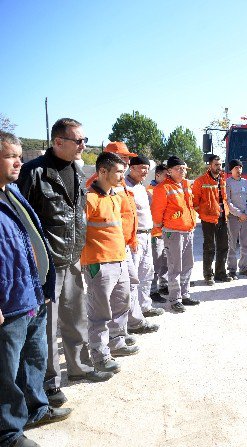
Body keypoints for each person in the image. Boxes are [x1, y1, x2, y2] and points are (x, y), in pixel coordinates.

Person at [17, 118, 112, 410]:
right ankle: (49, 382)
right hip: (45, 264)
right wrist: (33, 261)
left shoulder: (76, 168)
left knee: (75, 315)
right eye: (78, 141)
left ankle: (79, 367)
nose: (84, 146)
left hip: (71, 259)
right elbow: (23, 223)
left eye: (85, 140)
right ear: (58, 142)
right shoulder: (34, 173)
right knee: (47, 325)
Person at [1, 131, 71, 447]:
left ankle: (36, 410)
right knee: (5, 374)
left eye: (19, 155)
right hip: (8, 304)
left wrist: (43, 286)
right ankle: (8, 433)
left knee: (34, 362)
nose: (19, 161)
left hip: (31, 294)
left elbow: (31, 242)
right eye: (10, 156)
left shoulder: (13, 193)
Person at [81, 152, 138, 374]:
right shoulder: (89, 199)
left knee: (122, 303)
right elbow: (79, 234)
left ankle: (116, 342)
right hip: (98, 264)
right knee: (99, 313)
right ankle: (100, 355)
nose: (122, 176)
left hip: (120, 260)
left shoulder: (115, 196)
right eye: (118, 172)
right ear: (102, 172)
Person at [98, 143, 159, 337]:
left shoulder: (132, 186)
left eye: (127, 158)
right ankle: (130, 324)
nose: (126, 161)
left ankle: (141, 311)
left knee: (145, 275)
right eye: (123, 158)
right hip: (127, 241)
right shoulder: (109, 185)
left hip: (143, 235)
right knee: (128, 284)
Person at [151, 156, 198, 313]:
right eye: (179, 169)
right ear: (169, 171)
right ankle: (174, 299)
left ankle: (185, 295)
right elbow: (157, 214)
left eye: (184, 169)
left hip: (188, 231)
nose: (182, 171)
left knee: (187, 265)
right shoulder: (162, 188)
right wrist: (160, 229)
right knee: (175, 266)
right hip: (173, 232)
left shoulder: (185, 185)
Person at [125, 156, 164, 319]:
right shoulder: (125, 187)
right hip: (134, 238)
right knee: (133, 278)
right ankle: (132, 316)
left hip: (147, 235)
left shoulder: (141, 187)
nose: (145, 171)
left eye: (147, 168)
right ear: (131, 168)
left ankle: (144, 307)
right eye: (142, 167)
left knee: (147, 273)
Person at [192, 155, 231, 285]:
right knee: (209, 247)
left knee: (223, 246)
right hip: (208, 219)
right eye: (216, 165)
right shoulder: (200, 181)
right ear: (210, 165)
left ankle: (221, 273)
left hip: (222, 217)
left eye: (220, 165)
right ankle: (208, 275)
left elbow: (225, 199)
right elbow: (195, 202)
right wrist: (205, 213)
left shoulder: (223, 180)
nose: (219, 167)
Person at [225, 159, 247, 280]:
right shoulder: (227, 183)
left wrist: (246, 213)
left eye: (240, 167)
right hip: (233, 217)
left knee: (245, 243)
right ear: (231, 170)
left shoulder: (246, 183)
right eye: (236, 168)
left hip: (245, 218)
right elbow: (228, 201)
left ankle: (244, 268)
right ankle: (232, 270)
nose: (239, 170)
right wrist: (239, 214)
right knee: (232, 244)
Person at [147, 164, 168, 303]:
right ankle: (152, 290)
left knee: (165, 260)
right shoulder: (149, 191)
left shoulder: (165, 188)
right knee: (156, 262)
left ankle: (164, 285)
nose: (168, 178)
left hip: (166, 231)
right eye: (166, 175)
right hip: (155, 233)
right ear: (158, 175)